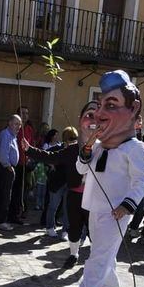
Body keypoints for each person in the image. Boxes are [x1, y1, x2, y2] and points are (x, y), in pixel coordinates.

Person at [58, 70, 144, 287]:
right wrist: (87, 145)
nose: (100, 113)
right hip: (94, 208)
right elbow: (80, 168)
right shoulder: (97, 146)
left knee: (97, 256)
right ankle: (110, 286)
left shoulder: (135, 148)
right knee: (102, 250)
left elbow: (141, 181)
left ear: (133, 109)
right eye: (100, 106)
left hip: (116, 212)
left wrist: (127, 206)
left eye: (111, 105)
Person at [26, 105, 97, 268]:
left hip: (94, 197)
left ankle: (95, 258)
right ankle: (74, 254)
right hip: (75, 194)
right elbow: (51, 157)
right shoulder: (72, 150)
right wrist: (29, 150)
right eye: (89, 115)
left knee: (94, 231)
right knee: (74, 226)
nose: (92, 121)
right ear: (80, 122)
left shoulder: (104, 149)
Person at [0, 114, 21, 231]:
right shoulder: (6, 134)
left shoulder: (13, 135)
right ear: (9, 123)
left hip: (8, 168)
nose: (18, 126)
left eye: (19, 124)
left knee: (5, 195)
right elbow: (3, 154)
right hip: (5, 168)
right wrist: (8, 166)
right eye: (16, 124)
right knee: (3, 196)